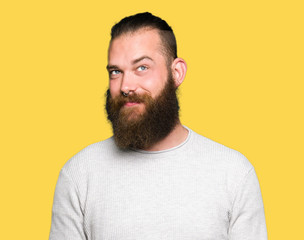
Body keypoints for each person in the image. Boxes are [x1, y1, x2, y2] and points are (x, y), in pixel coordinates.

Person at [49, 12, 267, 240]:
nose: (126, 86)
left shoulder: (234, 173)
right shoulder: (79, 174)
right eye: (116, 72)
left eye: (142, 67)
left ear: (176, 73)